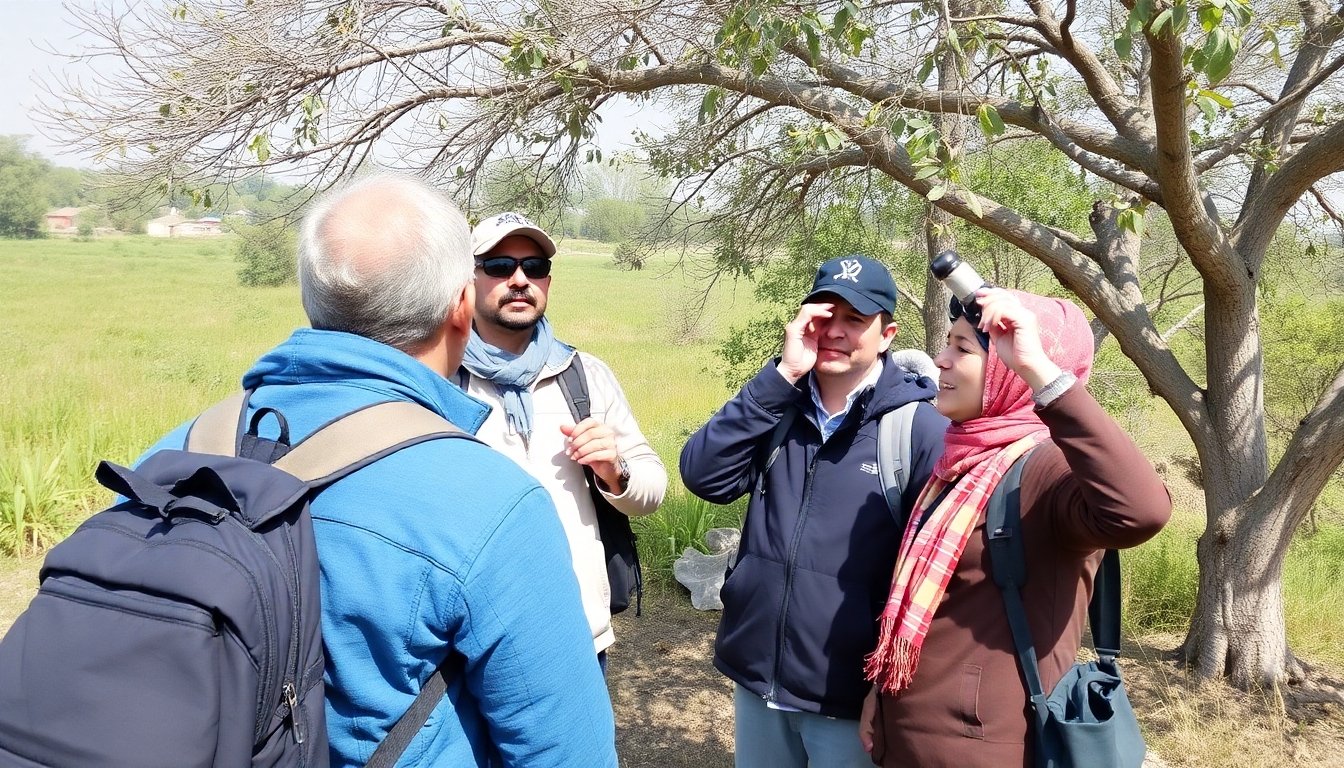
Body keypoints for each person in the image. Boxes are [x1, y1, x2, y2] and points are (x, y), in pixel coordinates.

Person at [140, 174, 617, 767]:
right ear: (461, 307)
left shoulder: (171, 457)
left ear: (313, 297)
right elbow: (566, 752)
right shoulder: (489, 502)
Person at [859, 287, 1172, 767]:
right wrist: (880, 699)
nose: (940, 360)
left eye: (962, 349)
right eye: (947, 343)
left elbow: (1140, 511)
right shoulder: (958, 463)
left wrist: (1041, 371)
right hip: (906, 743)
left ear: (1011, 372)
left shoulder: (1047, 471)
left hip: (992, 749)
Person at [680, 254, 949, 768]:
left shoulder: (918, 431)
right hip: (759, 678)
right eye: (825, 315)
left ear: (886, 334)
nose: (836, 331)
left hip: (849, 698)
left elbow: (936, 581)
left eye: (855, 320)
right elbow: (703, 475)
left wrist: (888, 689)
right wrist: (781, 375)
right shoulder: (777, 406)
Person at [455, 212, 667, 669]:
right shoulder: (441, 379)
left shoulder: (583, 376)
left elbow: (653, 488)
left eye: (534, 267)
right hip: (470, 645)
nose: (518, 280)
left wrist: (616, 472)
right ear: (467, 278)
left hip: (577, 637)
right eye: (498, 266)